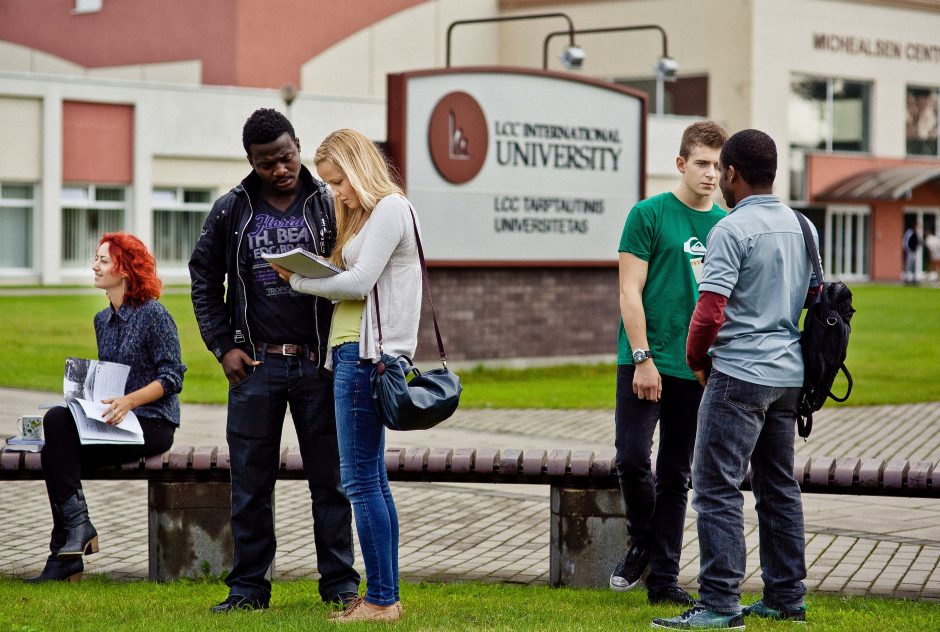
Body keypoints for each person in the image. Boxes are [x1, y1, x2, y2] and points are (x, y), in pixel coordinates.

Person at [189, 109, 359, 613]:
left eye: (286, 157)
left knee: (331, 482)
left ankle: (340, 587)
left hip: (319, 366)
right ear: (251, 162)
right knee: (250, 486)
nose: (280, 169)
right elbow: (203, 280)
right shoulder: (230, 209)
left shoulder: (330, 204)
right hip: (254, 368)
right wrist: (223, 346)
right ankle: (248, 591)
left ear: (297, 146)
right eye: (267, 164)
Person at [653, 129, 817, 630]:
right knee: (778, 487)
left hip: (739, 375)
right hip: (788, 377)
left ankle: (721, 602)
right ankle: (787, 597)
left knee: (715, 487)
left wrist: (697, 361)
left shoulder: (730, 229)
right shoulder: (802, 226)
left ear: (731, 173)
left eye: (720, 170)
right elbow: (813, 298)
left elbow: (709, 311)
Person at [270, 128, 421, 623]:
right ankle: (386, 596)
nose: (335, 192)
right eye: (331, 184)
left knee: (358, 481)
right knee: (371, 479)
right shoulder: (370, 215)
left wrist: (297, 279)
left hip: (366, 356)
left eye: (339, 182)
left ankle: (380, 599)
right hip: (355, 353)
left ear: (359, 168)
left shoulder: (391, 209)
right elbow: (353, 282)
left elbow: (357, 282)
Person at [610, 121, 727, 606]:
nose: (711, 174)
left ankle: (663, 582)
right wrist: (642, 359)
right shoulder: (648, 214)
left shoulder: (725, 224)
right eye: (702, 163)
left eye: (719, 165)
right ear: (681, 164)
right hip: (643, 360)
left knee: (677, 473)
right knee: (633, 457)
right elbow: (628, 291)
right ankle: (642, 539)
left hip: (697, 369)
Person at [28, 232, 185, 583]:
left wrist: (130, 401)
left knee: (56, 438)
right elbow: (110, 380)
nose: (94, 266)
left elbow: (173, 377)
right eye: (96, 259)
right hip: (115, 421)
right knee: (55, 445)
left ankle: (69, 545)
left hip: (152, 424)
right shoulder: (103, 320)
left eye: (102, 260)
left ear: (125, 268)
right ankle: (70, 545)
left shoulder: (154, 314)